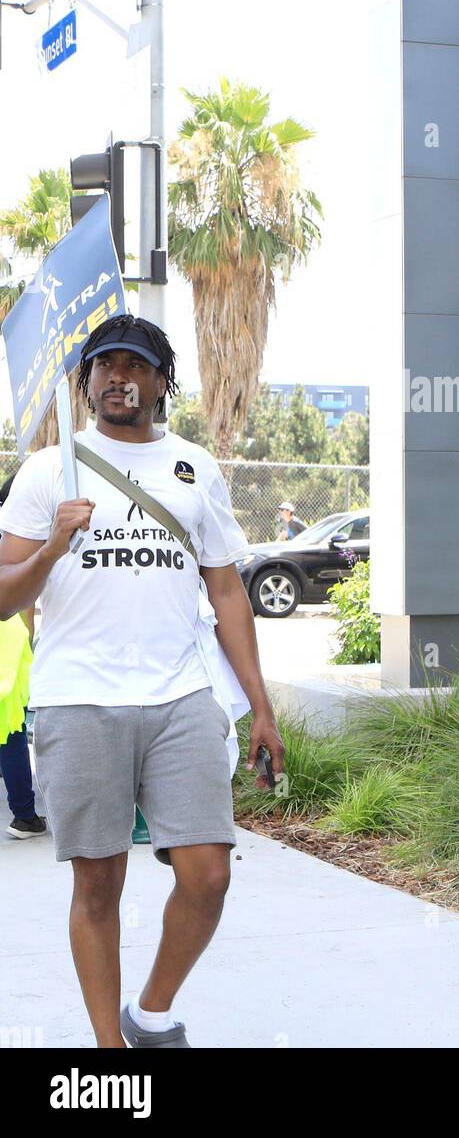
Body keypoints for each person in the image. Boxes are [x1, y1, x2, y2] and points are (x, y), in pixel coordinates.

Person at [0, 314, 285, 1049]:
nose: (116, 376)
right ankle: (111, 1048)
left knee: (208, 874)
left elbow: (225, 592)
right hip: (79, 699)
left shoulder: (195, 467)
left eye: (135, 364)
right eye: (103, 364)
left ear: (163, 382)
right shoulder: (46, 471)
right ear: (86, 380)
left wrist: (260, 705)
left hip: (179, 696)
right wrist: (54, 546)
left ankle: (151, 1010)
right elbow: (5, 593)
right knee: (97, 884)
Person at [0, 468, 44, 840]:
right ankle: (25, 815)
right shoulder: (19, 537)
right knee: (11, 729)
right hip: (7, 641)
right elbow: (24, 606)